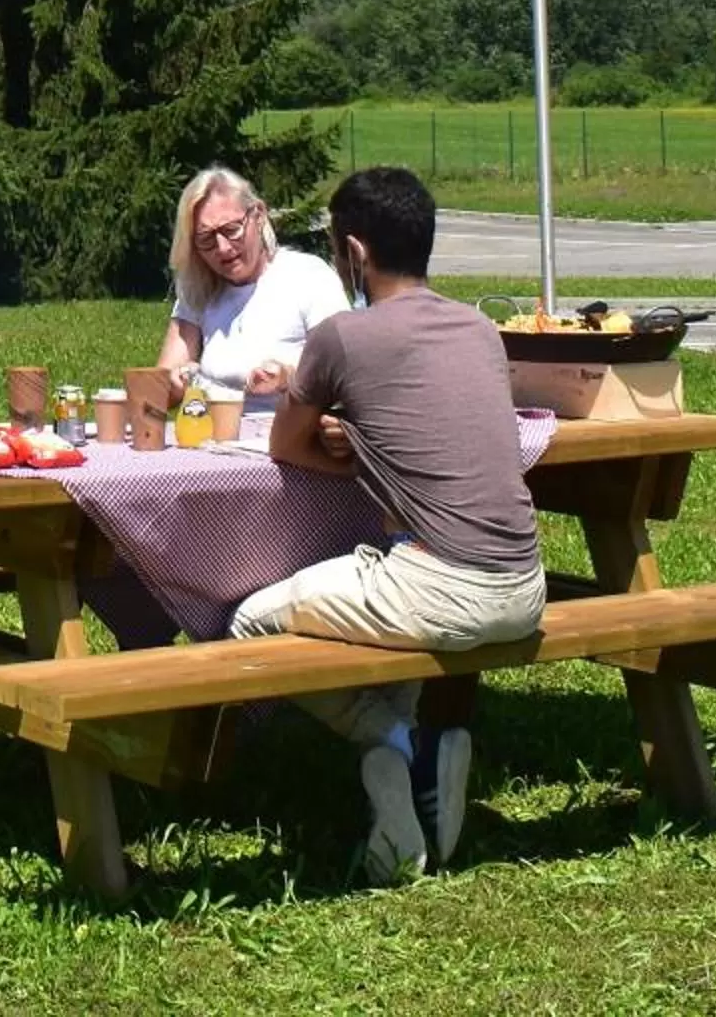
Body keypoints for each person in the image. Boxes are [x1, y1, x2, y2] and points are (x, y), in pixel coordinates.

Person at [233, 165, 545, 885]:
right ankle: (405, 794)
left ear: (354, 252)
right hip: (524, 587)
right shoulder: (478, 329)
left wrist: (345, 441)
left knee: (249, 622)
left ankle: (400, 740)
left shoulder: (344, 336)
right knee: (396, 644)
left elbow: (287, 448)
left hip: (442, 588)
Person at [155, 165, 347, 406]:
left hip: (292, 434)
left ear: (258, 216)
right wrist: (179, 381)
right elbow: (160, 390)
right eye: (206, 239)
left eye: (231, 230)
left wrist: (288, 376)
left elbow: (344, 370)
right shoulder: (199, 286)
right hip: (217, 434)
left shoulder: (309, 276)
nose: (223, 248)